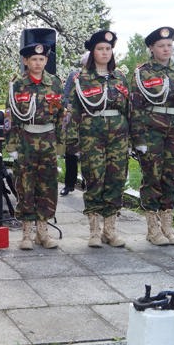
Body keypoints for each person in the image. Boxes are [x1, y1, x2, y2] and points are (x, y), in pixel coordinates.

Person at [128, 26, 174, 245]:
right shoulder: (143, 73)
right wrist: (137, 139)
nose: (166, 49)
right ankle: (153, 230)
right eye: (161, 46)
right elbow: (135, 108)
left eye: (169, 45)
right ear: (152, 48)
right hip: (152, 131)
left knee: (172, 177)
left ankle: (168, 227)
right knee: (152, 177)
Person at [67, 31, 130, 248]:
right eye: (100, 49)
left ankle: (110, 231)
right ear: (93, 52)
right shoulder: (81, 78)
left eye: (108, 49)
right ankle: (94, 231)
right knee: (94, 179)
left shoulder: (120, 77)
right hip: (91, 135)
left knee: (116, 180)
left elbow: (128, 109)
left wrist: (132, 138)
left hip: (118, 136)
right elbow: (74, 112)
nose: (105, 52)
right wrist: (72, 142)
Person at [7, 41, 64, 250]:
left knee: (47, 187)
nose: (38, 63)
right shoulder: (17, 85)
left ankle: (43, 232)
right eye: (34, 59)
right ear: (25, 61)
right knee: (25, 186)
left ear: (46, 61)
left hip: (48, 140)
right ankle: (26, 234)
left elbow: (60, 117)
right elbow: (10, 117)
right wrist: (11, 146)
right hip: (25, 141)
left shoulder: (55, 83)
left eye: (42, 59)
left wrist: (60, 147)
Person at [60, 52, 88, 195]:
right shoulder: (74, 76)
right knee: (71, 154)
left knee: (88, 154)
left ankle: (87, 183)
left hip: (91, 121)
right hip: (74, 120)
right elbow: (64, 96)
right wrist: (70, 107)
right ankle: (69, 184)